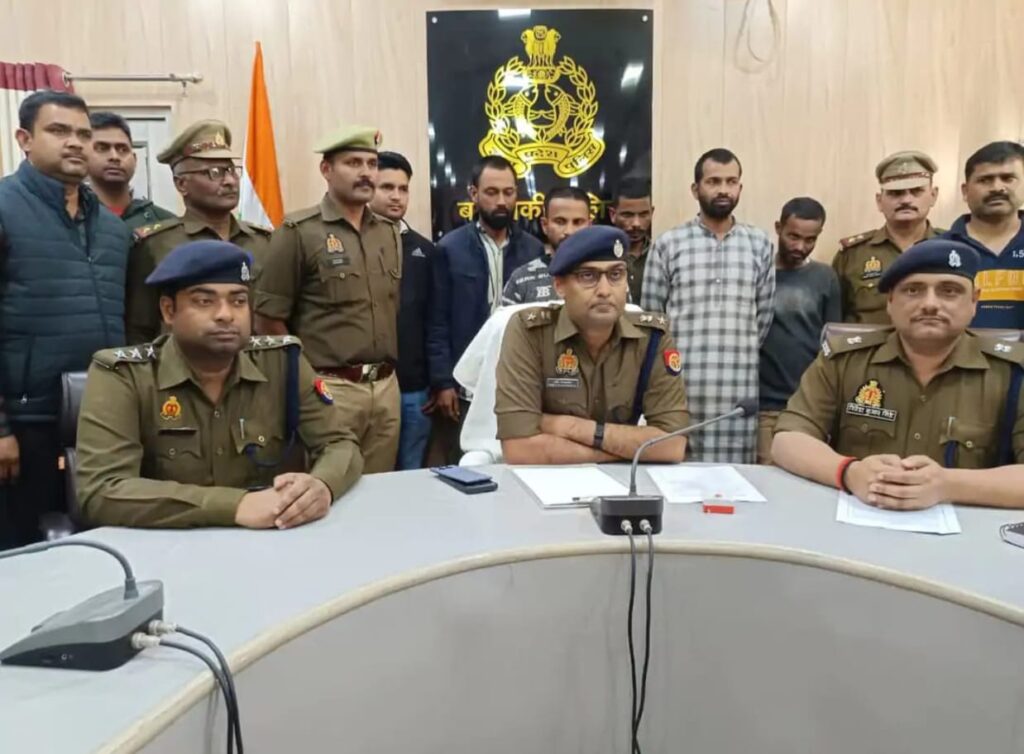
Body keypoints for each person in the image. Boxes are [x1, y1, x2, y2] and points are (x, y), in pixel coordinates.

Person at [76, 241, 364, 528]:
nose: (226, 314)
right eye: (205, 301)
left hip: (269, 539)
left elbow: (339, 443)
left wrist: (322, 485)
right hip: (166, 543)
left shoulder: (282, 362)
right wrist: (235, 506)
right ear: (168, 311)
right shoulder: (123, 375)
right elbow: (102, 490)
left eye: (238, 301)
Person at [772, 238, 1024, 510]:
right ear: (890, 301)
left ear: (974, 301)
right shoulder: (845, 359)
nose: (930, 304)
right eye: (913, 290)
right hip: (860, 521)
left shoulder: (1013, 372)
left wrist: (947, 485)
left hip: (968, 530)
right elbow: (787, 439)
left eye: (949, 291)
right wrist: (849, 472)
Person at [0, 91, 131, 548]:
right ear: (24, 139)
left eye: (83, 134)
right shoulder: (5, 208)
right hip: (26, 421)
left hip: (104, 415)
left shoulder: (113, 228)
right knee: (26, 550)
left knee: (102, 543)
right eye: (58, 131)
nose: (75, 143)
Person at [254, 125, 403, 473]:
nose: (366, 173)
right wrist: (307, 382)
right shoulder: (299, 231)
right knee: (328, 487)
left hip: (385, 388)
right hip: (330, 387)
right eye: (353, 163)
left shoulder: (388, 232)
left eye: (371, 164)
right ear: (326, 169)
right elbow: (268, 318)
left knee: (380, 488)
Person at [495, 226, 689, 465]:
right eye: (588, 276)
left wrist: (570, 427)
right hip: (547, 481)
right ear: (559, 285)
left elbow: (672, 445)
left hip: (624, 484)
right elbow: (520, 450)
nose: (605, 291)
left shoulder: (652, 337)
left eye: (616, 275)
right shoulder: (529, 332)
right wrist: (626, 452)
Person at [641, 148, 774, 463]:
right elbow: (651, 321)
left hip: (738, 388)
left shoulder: (759, 244)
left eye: (731, 181)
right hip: (681, 386)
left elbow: (763, 319)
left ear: (740, 187)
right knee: (677, 472)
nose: (723, 189)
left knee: (736, 480)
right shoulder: (669, 244)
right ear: (695, 189)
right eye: (714, 181)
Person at [428, 155, 543, 462]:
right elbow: (437, 321)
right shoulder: (450, 248)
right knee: (468, 464)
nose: (501, 201)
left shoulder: (533, 249)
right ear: (474, 194)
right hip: (467, 383)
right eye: (492, 192)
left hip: (519, 381)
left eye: (508, 192)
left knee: (517, 464)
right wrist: (443, 382)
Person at [124, 119, 271, 344]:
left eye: (231, 170)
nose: (229, 181)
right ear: (181, 184)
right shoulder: (156, 244)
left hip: (253, 361)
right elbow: (140, 327)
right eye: (214, 172)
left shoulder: (263, 241)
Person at [757, 197, 840, 464]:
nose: (800, 247)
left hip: (808, 406)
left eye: (810, 240)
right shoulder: (759, 274)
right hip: (764, 405)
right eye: (793, 236)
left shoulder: (825, 277)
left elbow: (833, 344)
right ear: (778, 228)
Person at [369, 150, 436, 470]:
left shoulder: (425, 250)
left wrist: (438, 380)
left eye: (403, 188)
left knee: (412, 472)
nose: (396, 196)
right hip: (366, 389)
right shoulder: (354, 246)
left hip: (415, 389)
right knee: (370, 477)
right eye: (387, 187)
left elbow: (435, 321)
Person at [832, 151, 941, 324]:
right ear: (879, 201)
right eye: (895, 193)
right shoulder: (852, 255)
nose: (906, 200)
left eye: (916, 191)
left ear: (933, 196)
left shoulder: (952, 249)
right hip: (869, 343)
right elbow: (834, 323)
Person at [943, 141, 1024, 329]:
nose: (997, 187)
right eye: (985, 180)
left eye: (1008, 178)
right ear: (965, 191)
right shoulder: (937, 251)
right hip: (962, 350)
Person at [85, 111, 175, 230]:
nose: (114, 157)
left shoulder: (165, 223)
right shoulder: (70, 219)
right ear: (83, 157)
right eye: (102, 148)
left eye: (122, 149)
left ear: (135, 159)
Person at [502, 186, 591, 305]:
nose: (569, 231)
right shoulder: (521, 279)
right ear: (544, 225)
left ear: (589, 225)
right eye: (560, 222)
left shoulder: (607, 276)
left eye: (578, 222)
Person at [608, 177, 654, 304]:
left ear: (652, 213)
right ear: (613, 214)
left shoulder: (661, 255)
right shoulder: (599, 256)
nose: (636, 224)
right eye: (627, 215)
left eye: (643, 214)